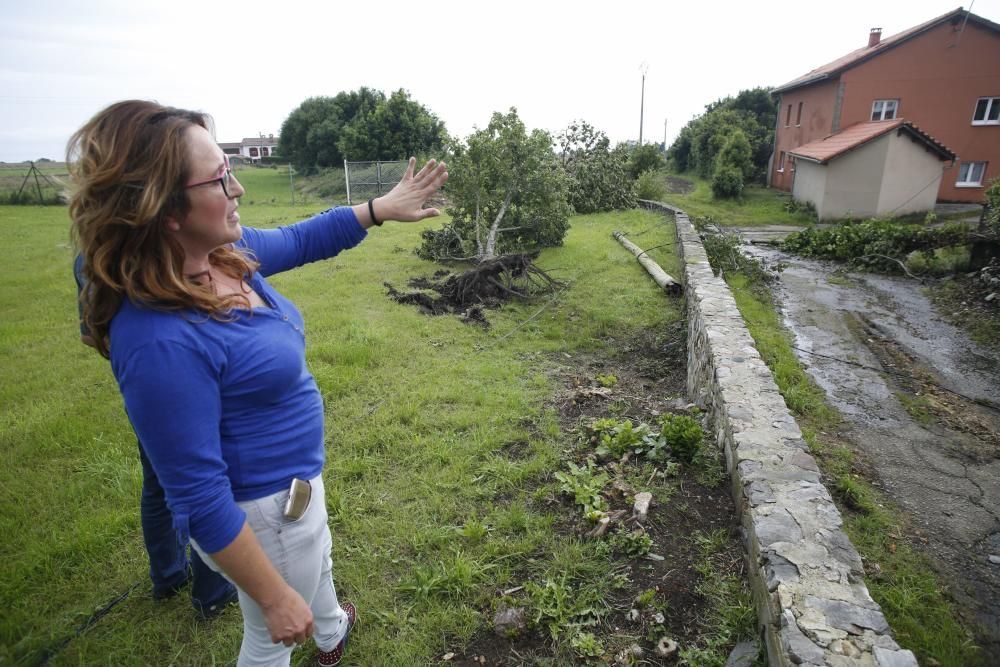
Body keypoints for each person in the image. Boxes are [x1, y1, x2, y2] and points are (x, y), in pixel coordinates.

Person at [68, 100, 447, 667]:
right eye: (221, 177)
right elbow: (196, 495)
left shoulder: (223, 256)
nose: (239, 187)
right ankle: (313, 626)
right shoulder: (158, 340)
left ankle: (332, 630)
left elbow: (299, 239)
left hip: (294, 489)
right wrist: (272, 597)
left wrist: (377, 209)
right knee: (268, 639)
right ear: (166, 209)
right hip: (263, 512)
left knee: (316, 562)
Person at [75, 254, 239, 619]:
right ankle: (212, 590)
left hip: (144, 389)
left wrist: (131, 351)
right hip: (188, 381)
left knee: (158, 481)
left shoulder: (91, 256)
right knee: (204, 482)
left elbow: (90, 335)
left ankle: (168, 576)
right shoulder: (165, 250)